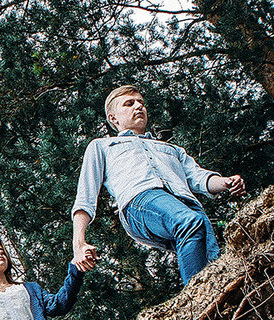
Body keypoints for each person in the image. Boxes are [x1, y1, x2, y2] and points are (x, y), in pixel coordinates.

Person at [72, 85, 246, 287]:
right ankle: (196, 299)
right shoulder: (102, 146)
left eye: (141, 103)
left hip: (187, 205)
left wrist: (225, 182)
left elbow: (198, 178)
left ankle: (214, 306)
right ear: (113, 119)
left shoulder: (172, 149)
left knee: (212, 259)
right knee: (188, 222)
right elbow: (86, 196)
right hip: (140, 201)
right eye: (129, 103)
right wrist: (79, 243)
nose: (138, 106)